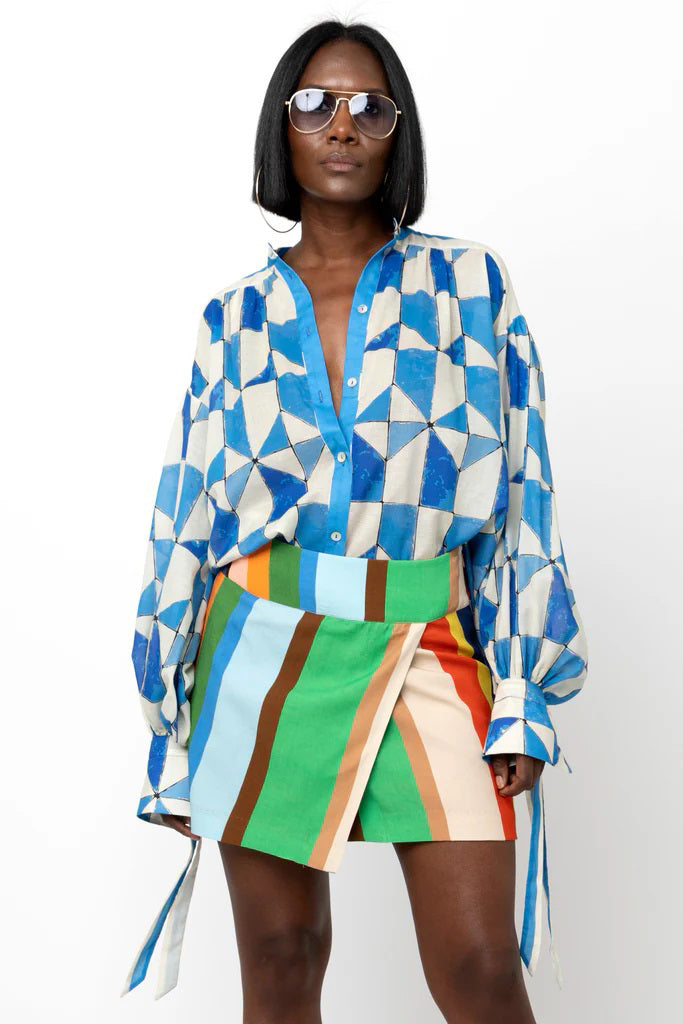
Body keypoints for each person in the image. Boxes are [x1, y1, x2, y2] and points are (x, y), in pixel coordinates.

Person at [121, 18, 589, 1024]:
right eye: (315, 104)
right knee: (282, 963)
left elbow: (520, 498)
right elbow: (184, 518)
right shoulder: (231, 318)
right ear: (279, 130)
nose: (342, 126)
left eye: (369, 107)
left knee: (475, 967)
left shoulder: (472, 287)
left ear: (396, 135)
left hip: (428, 641)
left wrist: (519, 690)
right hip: (262, 652)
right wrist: (166, 723)